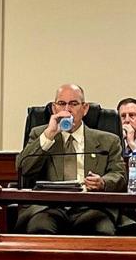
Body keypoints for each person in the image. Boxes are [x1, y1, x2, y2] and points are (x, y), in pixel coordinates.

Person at [15, 83, 126, 235]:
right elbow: (23, 169)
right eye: (61, 104)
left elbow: (119, 174)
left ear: (85, 108)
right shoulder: (40, 134)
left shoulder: (108, 141)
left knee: (101, 231)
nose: (67, 109)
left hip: (91, 207)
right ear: (54, 109)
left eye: (73, 104)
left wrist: (103, 182)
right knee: (40, 229)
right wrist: (49, 135)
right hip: (48, 208)